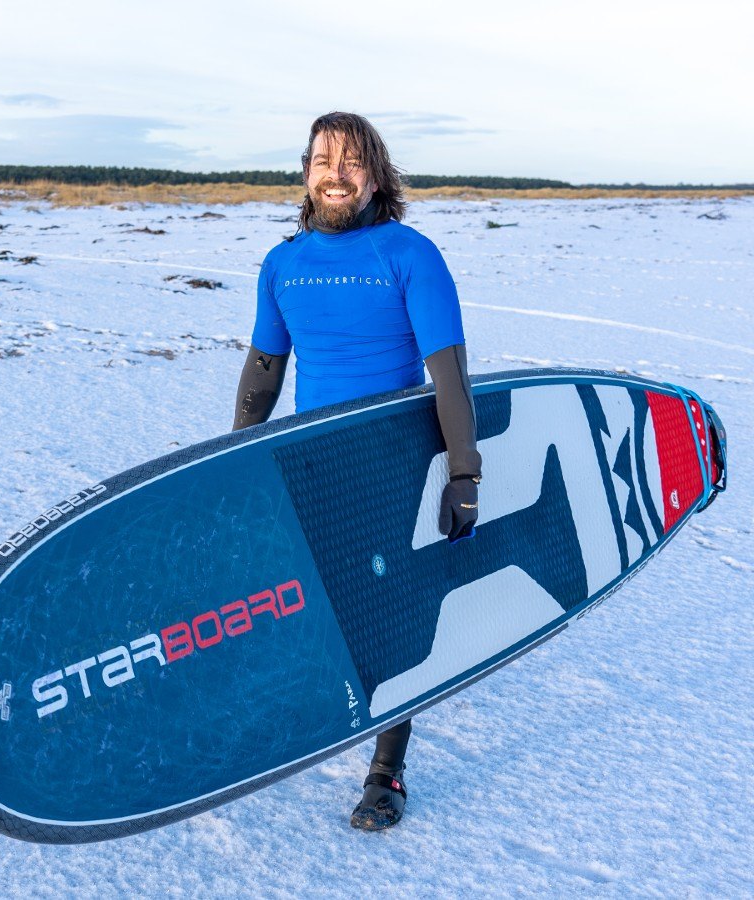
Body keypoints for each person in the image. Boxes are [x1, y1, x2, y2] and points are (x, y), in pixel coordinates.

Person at [232, 111, 482, 831]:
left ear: (375, 174)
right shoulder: (282, 263)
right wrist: (232, 463)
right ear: (305, 172)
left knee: (390, 612)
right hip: (315, 462)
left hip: (395, 461)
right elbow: (263, 373)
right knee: (320, 600)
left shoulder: (410, 254)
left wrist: (463, 473)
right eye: (321, 161)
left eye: (350, 162)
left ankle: (386, 770)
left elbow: (450, 376)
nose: (334, 174)